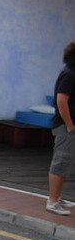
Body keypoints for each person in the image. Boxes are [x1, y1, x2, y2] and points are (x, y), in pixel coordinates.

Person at [47, 41, 75, 216]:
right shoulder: (69, 75)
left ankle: (57, 197)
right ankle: (52, 201)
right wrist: (70, 125)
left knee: (66, 163)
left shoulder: (71, 73)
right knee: (61, 161)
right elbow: (61, 101)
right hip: (65, 126)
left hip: (68, 126)